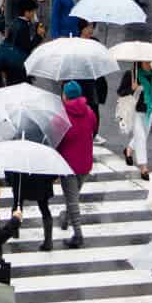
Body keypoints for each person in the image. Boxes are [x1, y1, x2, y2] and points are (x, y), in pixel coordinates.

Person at [56, 81, 96, 248]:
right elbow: (93, 130)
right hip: (86, 162)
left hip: (68, 164)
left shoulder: (62, 116)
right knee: (73, 196)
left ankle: (78, 235)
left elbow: (56, 139)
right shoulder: (89, 112)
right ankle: (65, 218)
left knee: (73, 200)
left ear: (65, 95)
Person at [116, 61, 152, 181]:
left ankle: (128, 150)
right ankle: (144, 167)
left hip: (149, 110)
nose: (150, 64)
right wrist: (132, 88)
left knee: (144, 135)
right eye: (147, 62)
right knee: (140, 137)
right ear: (141, 62)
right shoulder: (131, 75)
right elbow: (120, 92)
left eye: (151, 62)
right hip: (134, 111)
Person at [0, 0, 44, 85]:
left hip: (10, 63)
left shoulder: (15, 22)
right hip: (17, 67)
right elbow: (27, 47)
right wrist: (39, 36)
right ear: (26, 12)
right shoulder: (23, 27)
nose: (34, 14)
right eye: (33, 11)